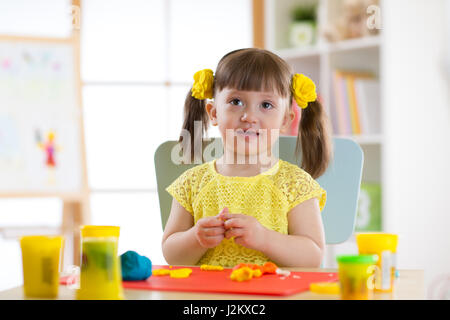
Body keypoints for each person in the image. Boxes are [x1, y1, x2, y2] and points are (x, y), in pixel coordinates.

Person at [162, 48, 332, 268]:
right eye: (236, 102)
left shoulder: (295, 184)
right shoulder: (192, 183)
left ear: (285, 120)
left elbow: (313, 256)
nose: (249, 117)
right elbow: (171, 254)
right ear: (213, 113)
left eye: (266, 105)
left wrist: (264, 238)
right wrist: (196, 237)